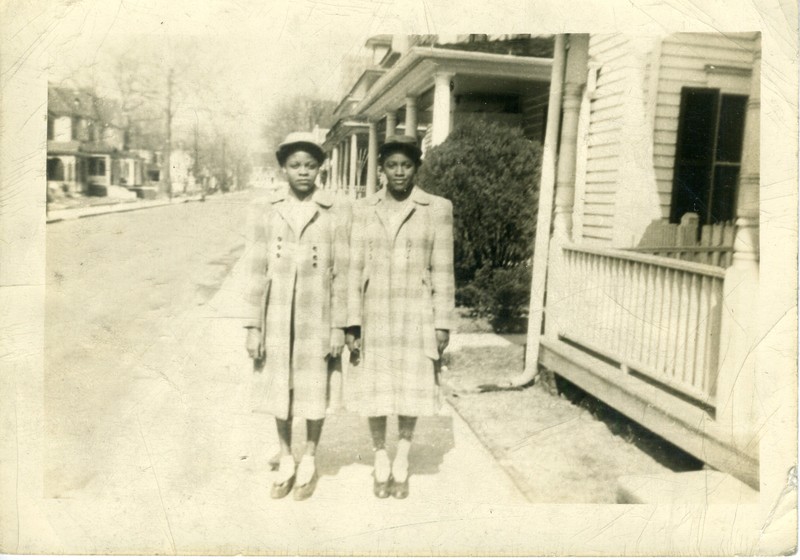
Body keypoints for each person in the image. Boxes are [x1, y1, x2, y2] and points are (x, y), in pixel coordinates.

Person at [345, 134, 455, 499]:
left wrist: (442, 322)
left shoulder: (436, 208)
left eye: (406, 165)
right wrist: (351, 322)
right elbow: (352, 267)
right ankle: (380, 457)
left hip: (416, 312)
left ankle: (402, 458)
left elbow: (443, 269)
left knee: (412, 386)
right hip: (373, 309)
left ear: (416, 168)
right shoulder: (362, 209)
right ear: (381, 169)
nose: (399, 173)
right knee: (374, 386)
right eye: (391, 165)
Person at [242, 132, 349, 500]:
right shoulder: (267, 208)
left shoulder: (336, 210)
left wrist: (338, 325)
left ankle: (310, 457)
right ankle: (286, 455)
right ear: (283, 168)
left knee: (315, 385)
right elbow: (256, 270)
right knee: (280, 386)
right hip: (276, 315)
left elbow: (343, 272)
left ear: (321, 168)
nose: (303, 172)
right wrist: (253, 326)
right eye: (295, 165)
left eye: (310, 165)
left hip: (316, 315)